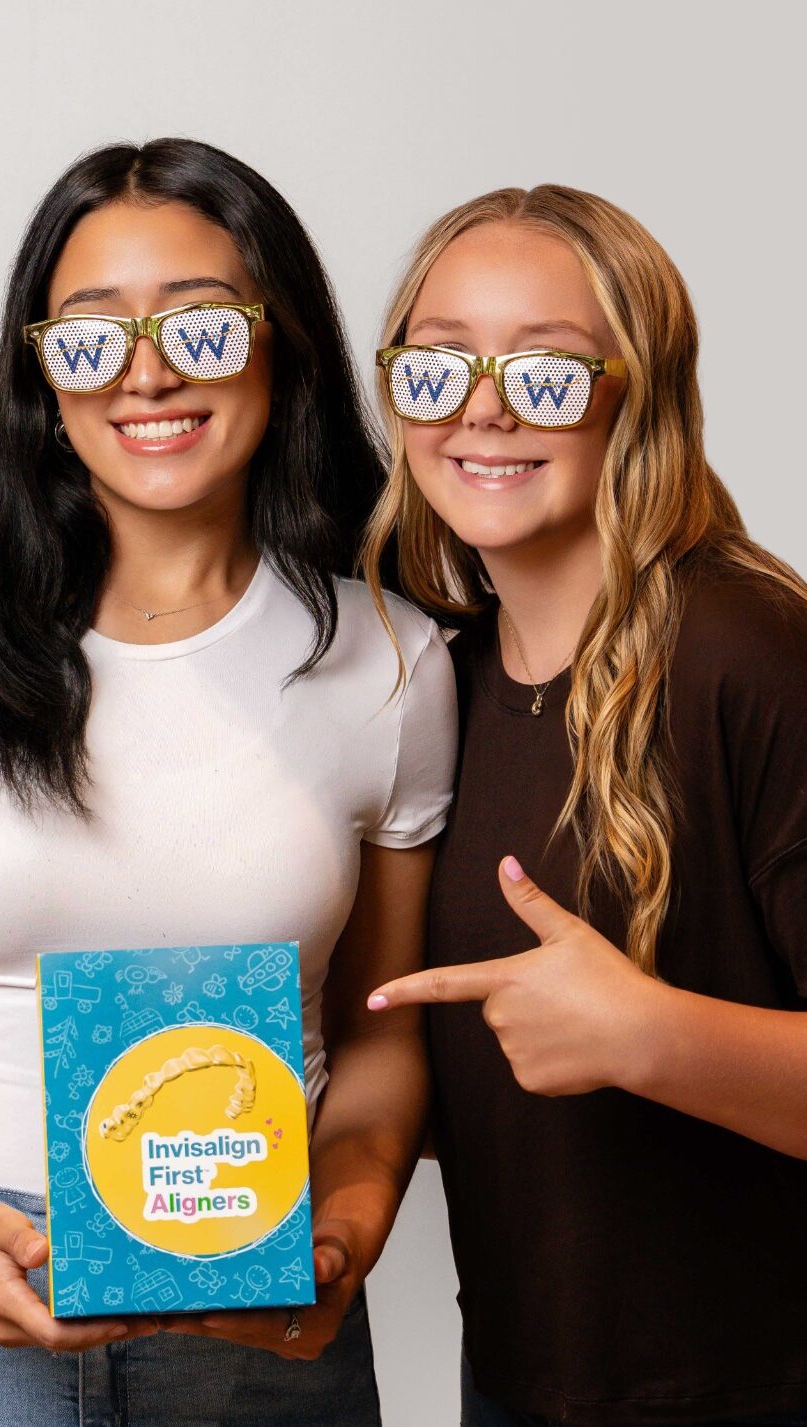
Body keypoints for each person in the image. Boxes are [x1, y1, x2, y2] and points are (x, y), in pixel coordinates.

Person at [0, 138, 456, 1427]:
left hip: (254, 1293)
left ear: (283, 342)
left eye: (198, 328)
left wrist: (349, 1223)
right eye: (89, 338)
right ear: (40, 372)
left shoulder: (393, 656)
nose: (144, 374)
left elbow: (380, 1033)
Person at [364, 186, 807, 1426]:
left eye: (545, 370)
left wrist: (647, 1036)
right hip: (518, 1381)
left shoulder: (745, 648)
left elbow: (608, 1039)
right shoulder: (430, 681)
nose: (483, 407)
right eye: (437, 363)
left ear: (639, 391)